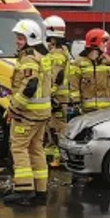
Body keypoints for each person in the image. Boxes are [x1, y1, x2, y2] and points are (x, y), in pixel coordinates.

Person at [2, 19, 53, 207]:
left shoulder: (29, 58)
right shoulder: (43, 55)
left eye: (21, 38)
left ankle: (23, 189)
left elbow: (29, 85)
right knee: (36, 149)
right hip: (41, 113)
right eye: (18, 38)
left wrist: (14, 108)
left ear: (31, 39)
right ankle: (40, 190)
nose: (17, 41)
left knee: (19, 147)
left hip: (28, 113)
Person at [69, 28, 110, 115]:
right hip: (87, 112)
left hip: (107, 111)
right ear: (95, 42)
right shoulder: (78, 64)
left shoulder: (108, 62)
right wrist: (76, 103)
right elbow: (73, 86)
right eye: (103, 42)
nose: (105, 45)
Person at [41, 15, 71, 168]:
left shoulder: (57, 54)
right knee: (51, 128)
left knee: (58, 129)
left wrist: (49, 93)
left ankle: (60, 158)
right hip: (57, 97)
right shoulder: (61, 51)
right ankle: (51, 156)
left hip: (57, 98)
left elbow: (56, 77)